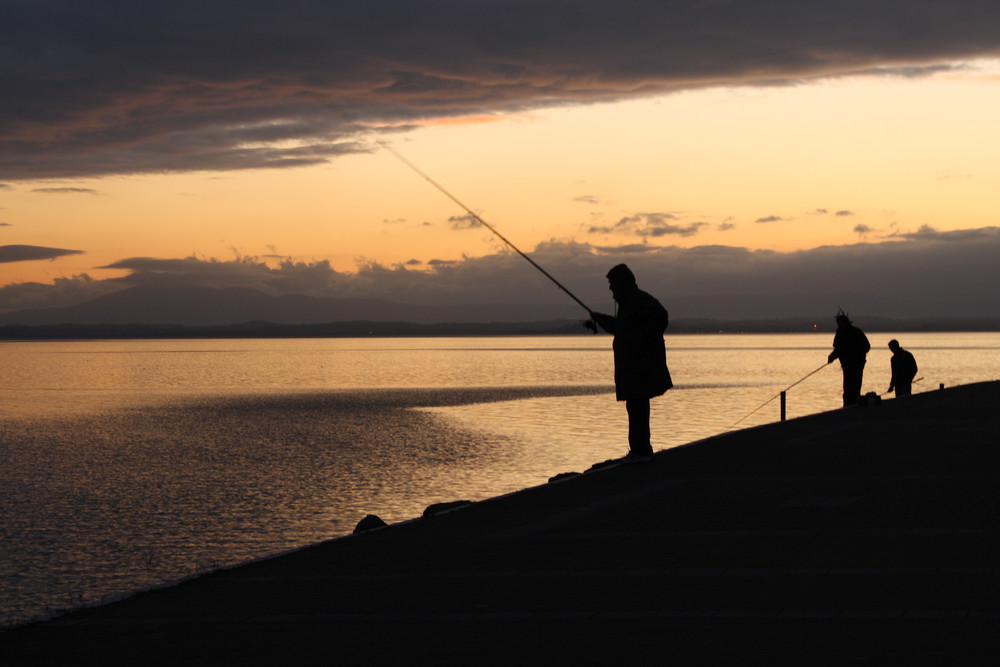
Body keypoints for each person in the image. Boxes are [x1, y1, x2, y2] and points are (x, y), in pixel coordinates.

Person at [589, 264, 672, 463]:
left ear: (621, 283)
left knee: (637, 405)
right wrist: (600, 319)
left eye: (612, 284)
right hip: (633, 367)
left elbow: (661, 317)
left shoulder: (640, 300)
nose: (610, 290)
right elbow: (622, 328)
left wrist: (641, 340)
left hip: (640, 367)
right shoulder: (629, 304)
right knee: (635, 406)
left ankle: (641, 451)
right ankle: (639, 449)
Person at [827, 311, 871, 407]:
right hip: (846, 365)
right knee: (847, 387)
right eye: (838, 324)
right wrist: (832, 357)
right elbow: (838, 349)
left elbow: (867, 346)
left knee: (855, 385)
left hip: (857, 364)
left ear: (846, 322)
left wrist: (857, 355)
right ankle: (848, 405)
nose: (839, 325)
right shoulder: (839, 334)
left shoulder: (856, 332)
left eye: (840, 323)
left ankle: (854, 404)